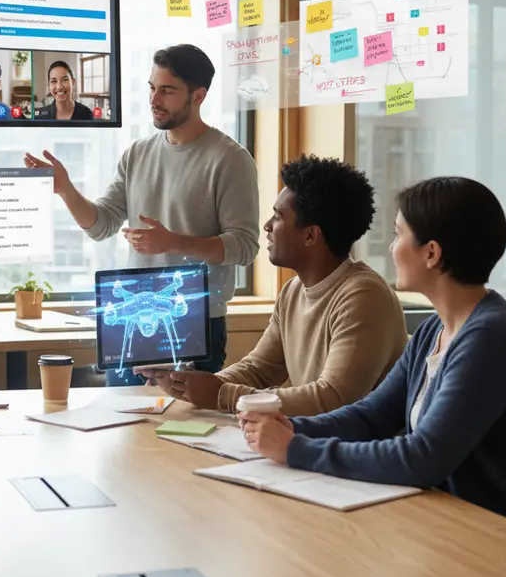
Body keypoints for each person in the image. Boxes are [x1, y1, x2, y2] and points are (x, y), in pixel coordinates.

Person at [242, 177, 506, 534]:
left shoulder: (490, 339)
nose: (391, 248)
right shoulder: (433, 331)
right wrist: (292, 428)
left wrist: (296, 450)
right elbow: (372, 416)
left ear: (431, 253)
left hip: (504, 536)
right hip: (446, 521)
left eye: (398, 235)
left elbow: (422, 458)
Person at [25, 44, 259, 384]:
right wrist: (65, 189)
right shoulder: (137, 153)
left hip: (196, 321)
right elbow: (102, 224)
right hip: (130, 317)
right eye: (152, 87)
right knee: (122, 430)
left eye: (167, 91)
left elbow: (245, 247)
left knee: (185, 432)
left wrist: (173, 243)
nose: (154, 99)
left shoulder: (230, 159)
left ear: (198, 96)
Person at [140, 156, 407, 415]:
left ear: (311, 235)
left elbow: (333, 399)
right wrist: (187, 383)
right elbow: (258, 369)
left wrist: (222, 395)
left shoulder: (364, 296)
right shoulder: (292, 291)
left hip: (354, 454)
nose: (267, 226)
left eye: (278, 216)